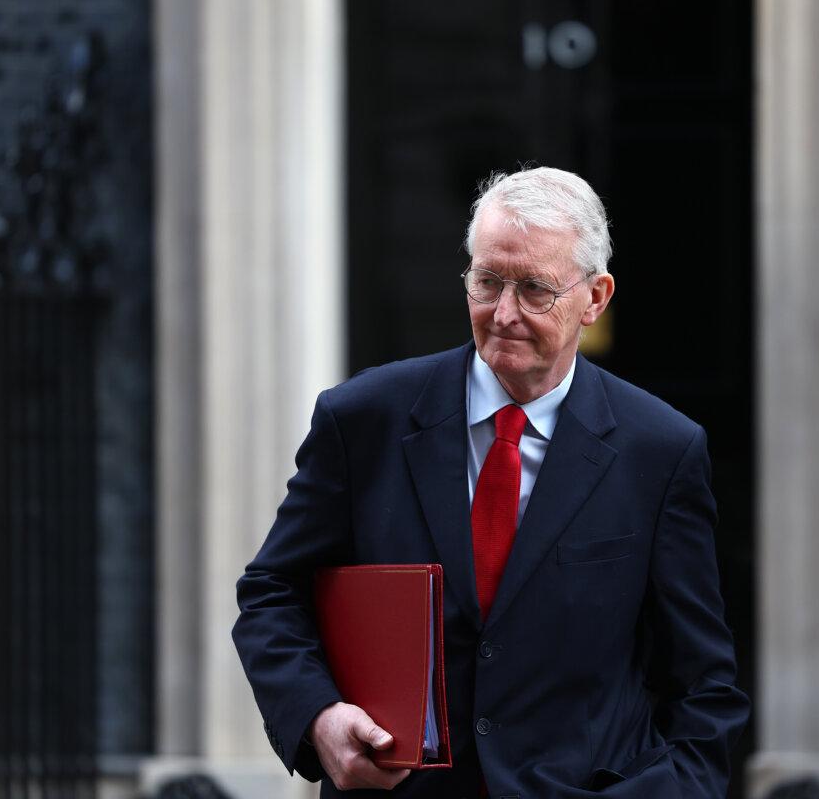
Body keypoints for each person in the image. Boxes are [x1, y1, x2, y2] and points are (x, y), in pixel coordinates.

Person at [232, 167, 749, 798]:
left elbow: (704, 691)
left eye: (534, 289)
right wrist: (318, 717)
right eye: (487, 282)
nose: (503, 313)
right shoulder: (363, 419)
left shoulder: (661, 451)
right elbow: (271, 594)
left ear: (596, 297)